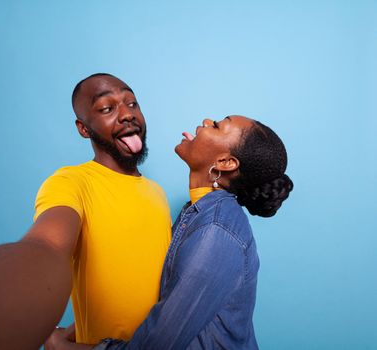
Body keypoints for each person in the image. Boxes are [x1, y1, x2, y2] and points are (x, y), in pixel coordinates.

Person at [0, 73, 171, 350]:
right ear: (84, 128)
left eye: (132, 103)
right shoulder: (70, 182)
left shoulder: (156, 192)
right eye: (107, 108)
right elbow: (45, 246)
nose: (127, 114)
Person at [48, 115, 293, 350]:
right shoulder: (197, 213)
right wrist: (75, 329)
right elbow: (164, 297)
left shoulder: (216, 231)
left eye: (217, 125)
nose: (207, 121)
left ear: (225, 163)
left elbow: (157, 346)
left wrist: (61, 347)